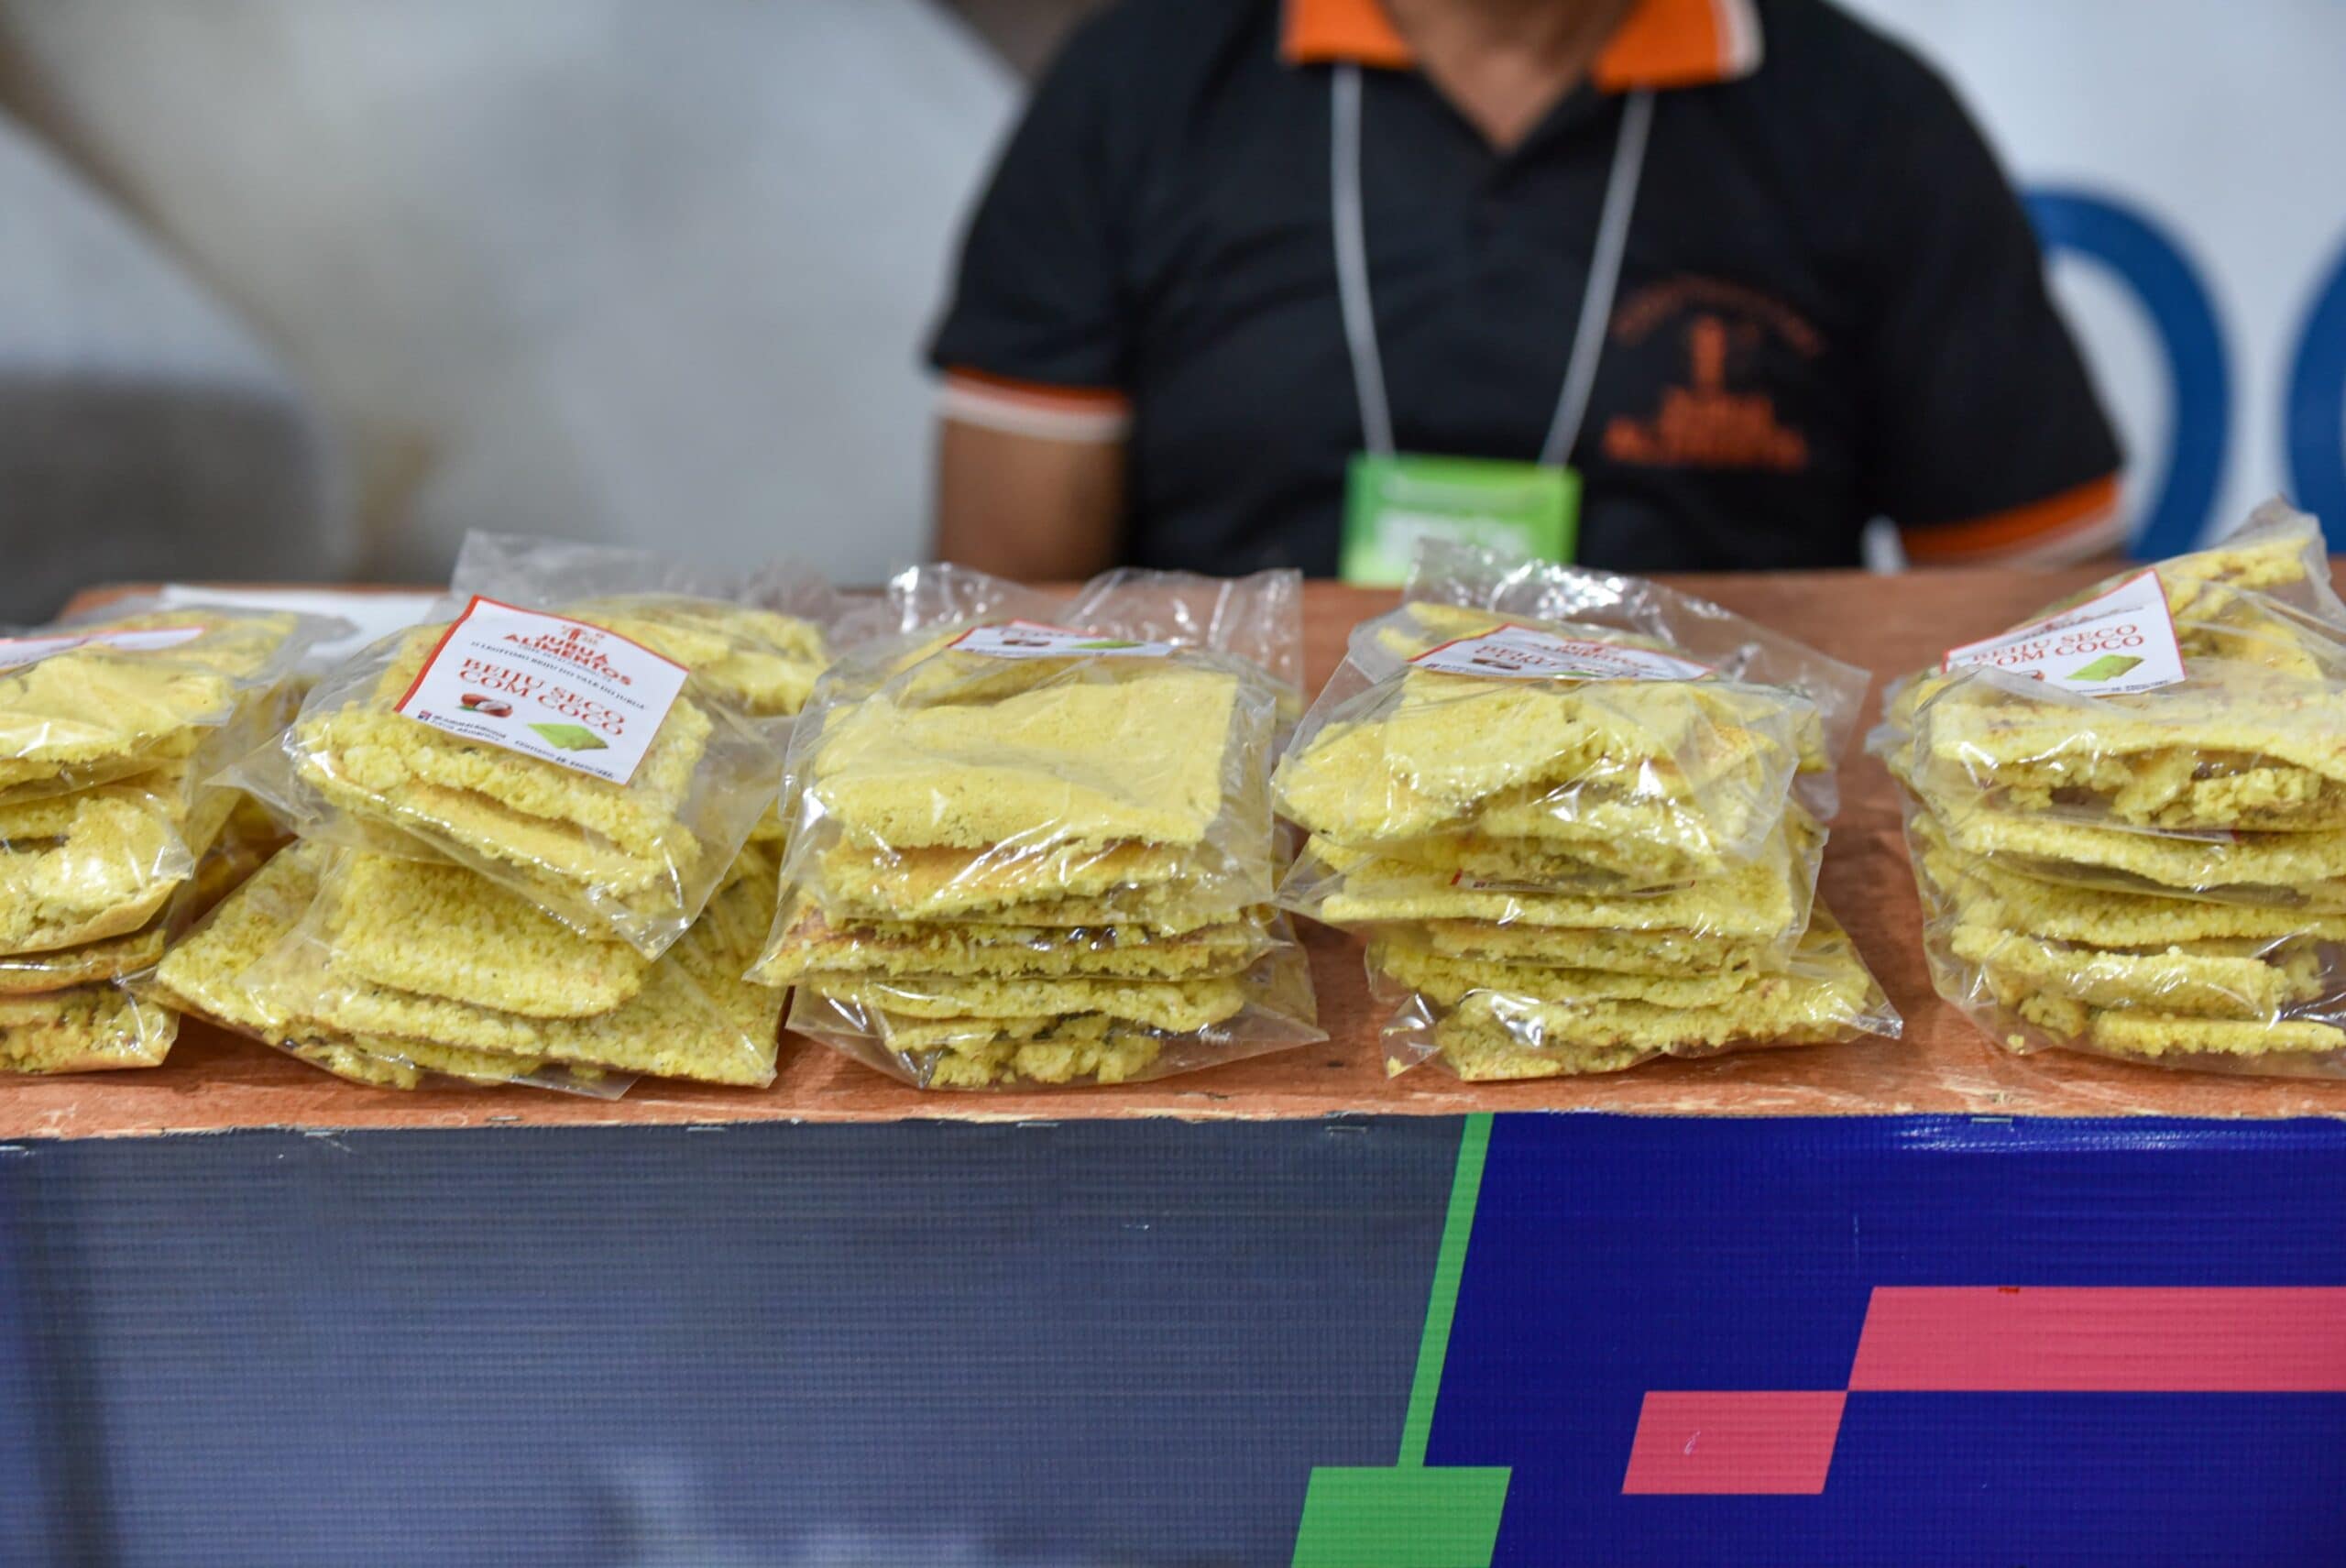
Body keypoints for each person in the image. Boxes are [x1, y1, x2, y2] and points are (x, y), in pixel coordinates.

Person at [927, 0, 2124, 580]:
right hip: (1236, 891)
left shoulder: (1872, 121)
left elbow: (2037, 610)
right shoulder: (1139, 85)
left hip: (1712, 876)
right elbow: (1005, 613)